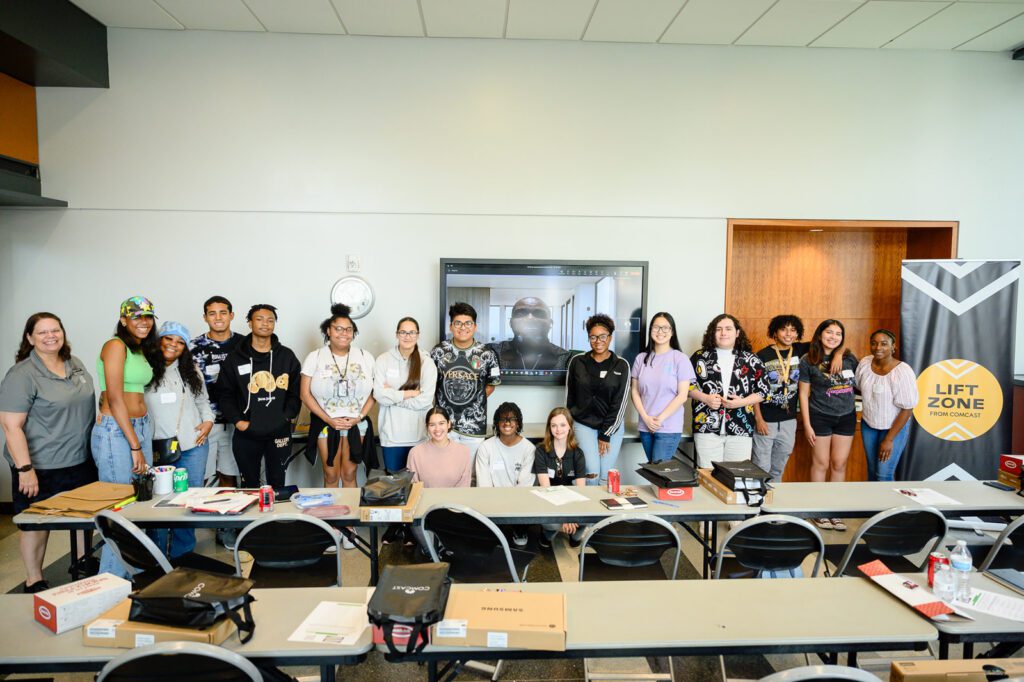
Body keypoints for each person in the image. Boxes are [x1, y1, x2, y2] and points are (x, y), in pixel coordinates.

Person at [0, 313, 97, 593]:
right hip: (40, 465)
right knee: (36, 523)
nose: (50, 336)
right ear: (29, 338)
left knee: (82, 519)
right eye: (42, 332)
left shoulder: (73, 364)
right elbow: (11, 425)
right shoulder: (22, 375)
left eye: (55, 330)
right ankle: (34, 579)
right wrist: (25, 469)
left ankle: (82, 565)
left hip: (79, 459)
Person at [92, 296, 160, 578]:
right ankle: (108, 583)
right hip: (118, 432)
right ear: (123, 320)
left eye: (148, 317)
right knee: (119, 510)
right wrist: (135, 444)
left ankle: (129, 576)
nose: (143, 322)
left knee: (139, 503)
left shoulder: (140, 349)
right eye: (136, 317)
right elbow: (115, 397)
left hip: (139, 426)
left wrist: (142, 435)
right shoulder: (115, 346)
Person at [144, 321, 214, 558]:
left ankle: (183, 553)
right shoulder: (144, 369)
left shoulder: (190, 371)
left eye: (180, 342)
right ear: (158, 340)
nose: (174, 345)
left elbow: (203, 402)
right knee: (159, 501)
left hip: (193, 445)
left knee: (189, 500)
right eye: (169, 339)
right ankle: (157, 553)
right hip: (157, 447)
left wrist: (208, 421)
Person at [216, 304, 301, 489]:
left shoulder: (286, 356)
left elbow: (296, 392)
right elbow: (225, 394)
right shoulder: (235, 358)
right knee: (249, 486)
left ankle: (275, 519)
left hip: (279, 432)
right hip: (247, 433)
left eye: (270, 320)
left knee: (278, 484)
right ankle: (252, 519)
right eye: (259, 319)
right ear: (249, 323)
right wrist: (238, 421)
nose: (265, 324)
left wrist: (287, 416)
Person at [301, 303, 377, 491]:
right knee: (331, 474)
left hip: (357, 424)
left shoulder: (365, 356)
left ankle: (350, 521)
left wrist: (359, 417)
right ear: (329, 330)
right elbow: (304, 394)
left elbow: (376, 392)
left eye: (349, 329)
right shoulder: (315, 356)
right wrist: (329, 420)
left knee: (350, 474)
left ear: (354, 333)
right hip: (326, 424)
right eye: (338, 329)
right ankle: (332, 520)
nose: (344, 333)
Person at [190, 295, 245, 550]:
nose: (218, 317)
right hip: (204, 422)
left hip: (235, 422)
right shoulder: (193, 348)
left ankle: (226, 527)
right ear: (205, 317)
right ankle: (184, 533)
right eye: (212, 313)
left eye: (223, 312)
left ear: (232, 315)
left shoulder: (245, 345)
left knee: (228, 475)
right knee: (197, 476)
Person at [799, 319, 858, 531]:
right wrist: (807, 424)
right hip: (820, 415)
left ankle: (835, 510)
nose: (833, 336)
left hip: (846, 415)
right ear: (820, 334)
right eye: (829, 332)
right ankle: (818, 510)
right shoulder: (808, 359)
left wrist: (840, 353)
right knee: (821, 463)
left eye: (838, 334)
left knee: (839, 464)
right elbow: (803, 394)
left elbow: (859, 384)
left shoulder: (850, 358)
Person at [688, 314, 769, 469]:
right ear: (712, 333)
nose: (723, 333)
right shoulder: (700, 357)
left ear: (737, 333)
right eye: (718, 329)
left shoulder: (750, 359)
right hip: (706, 427)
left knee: (736, 476)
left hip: (741, 426)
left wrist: (741, 402)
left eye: (728, 329)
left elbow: (763, 391)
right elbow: (686, 387)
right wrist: (705, 398)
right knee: (708, 476)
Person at [565, 314, 630, 487]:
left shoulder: (621, 365)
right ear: (588, 338)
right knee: (591, 472)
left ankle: (604, 513)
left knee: (605, 475)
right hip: (583, 423)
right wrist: (568, 424)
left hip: (612, 426)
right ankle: (587, 512)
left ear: (610, 337)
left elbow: (620, 403)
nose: (598, 341)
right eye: (593, 337)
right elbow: (569, 397)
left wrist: (606, 434)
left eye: (603, 336)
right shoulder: (577, 362)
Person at [430, 302, 500, 459]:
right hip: (443, 425)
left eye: (468, 323)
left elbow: (492, 384)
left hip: (474, 425)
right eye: (458, 323)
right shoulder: (438, 351)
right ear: (451, 326)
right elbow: (429, 384)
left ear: (475, 326)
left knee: (470, 474)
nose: (463, 327)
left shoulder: (487, 354)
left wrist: (473, 401)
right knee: (444, 469)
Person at [374, 317, 437, 473]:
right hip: (391, 437)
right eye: (403, 332)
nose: (407, 336)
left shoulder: (426, 363)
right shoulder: (383, 360)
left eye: (411, 332)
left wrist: (393, 397)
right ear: (397, 334)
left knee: (419, 485)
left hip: (419, 436)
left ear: (418, 335)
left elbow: (425, 400)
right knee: (393, 486)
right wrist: (409, 394)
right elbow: (379, 395)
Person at [630, 312, 695, 463]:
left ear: (672, 332)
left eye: (665, 328)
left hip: (668, 427)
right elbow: (634, 391)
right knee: (653, 470)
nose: (661, 332)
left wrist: (660, 419)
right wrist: (646, 419)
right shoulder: (641, 358)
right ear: (650, 330)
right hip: (646, 426)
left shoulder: (680, 358)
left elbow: (682, 395)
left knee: (658, 472)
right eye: (656, 327)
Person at [856, 329, 918, 482]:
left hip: (893, 429)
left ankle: (887, 506)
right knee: (872, 471)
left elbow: (907, 408)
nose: (878, 348)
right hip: (869, 425)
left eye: (884, 344)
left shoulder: (902, 372)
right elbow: (857, 386)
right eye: (874, 343)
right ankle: (873, 506)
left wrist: (889, 439)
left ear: (893, 346)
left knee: (883, 474)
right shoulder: (864, 363)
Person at [475, 402, 536, 547]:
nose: (507, 423)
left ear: (518, 423)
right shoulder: (486, 447)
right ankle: (496, 526)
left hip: (519, 500)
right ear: (497, 423)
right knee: (491, 538)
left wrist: (513, 506)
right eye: (503, 419)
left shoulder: (529, 449)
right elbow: (484, 484)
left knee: (528, 498)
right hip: (493, 499)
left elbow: (524, 485)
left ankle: (519, 528)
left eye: (512, 419)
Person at [533, 407, 588, 549]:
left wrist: (571, 516)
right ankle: (549, 533)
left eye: (563, 425)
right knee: (549, 523)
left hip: (572, 501)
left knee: (586, 519)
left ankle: (574, 534)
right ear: (549, 428)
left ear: (570, 426)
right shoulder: (541, 451)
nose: (558, 429)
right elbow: (546, 490)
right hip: (549, 502)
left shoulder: (578, 453)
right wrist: (564, 518)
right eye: (554, 425)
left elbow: (581, 490)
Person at [486, 296, 573, 372]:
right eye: (521, 313)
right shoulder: (492, 352)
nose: (530, 318)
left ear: (550, 324)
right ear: (511, 323)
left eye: (539, 313)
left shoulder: (566, 359)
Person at [407, 408, 473, 487]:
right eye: (432, 425)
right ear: (427, 427)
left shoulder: (464, 451)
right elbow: (414, 487)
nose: (437, 429)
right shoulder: (415, 453)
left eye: (441, 423)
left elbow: (464, 485)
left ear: (448, 424)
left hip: (456, 499)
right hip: (425, 499)